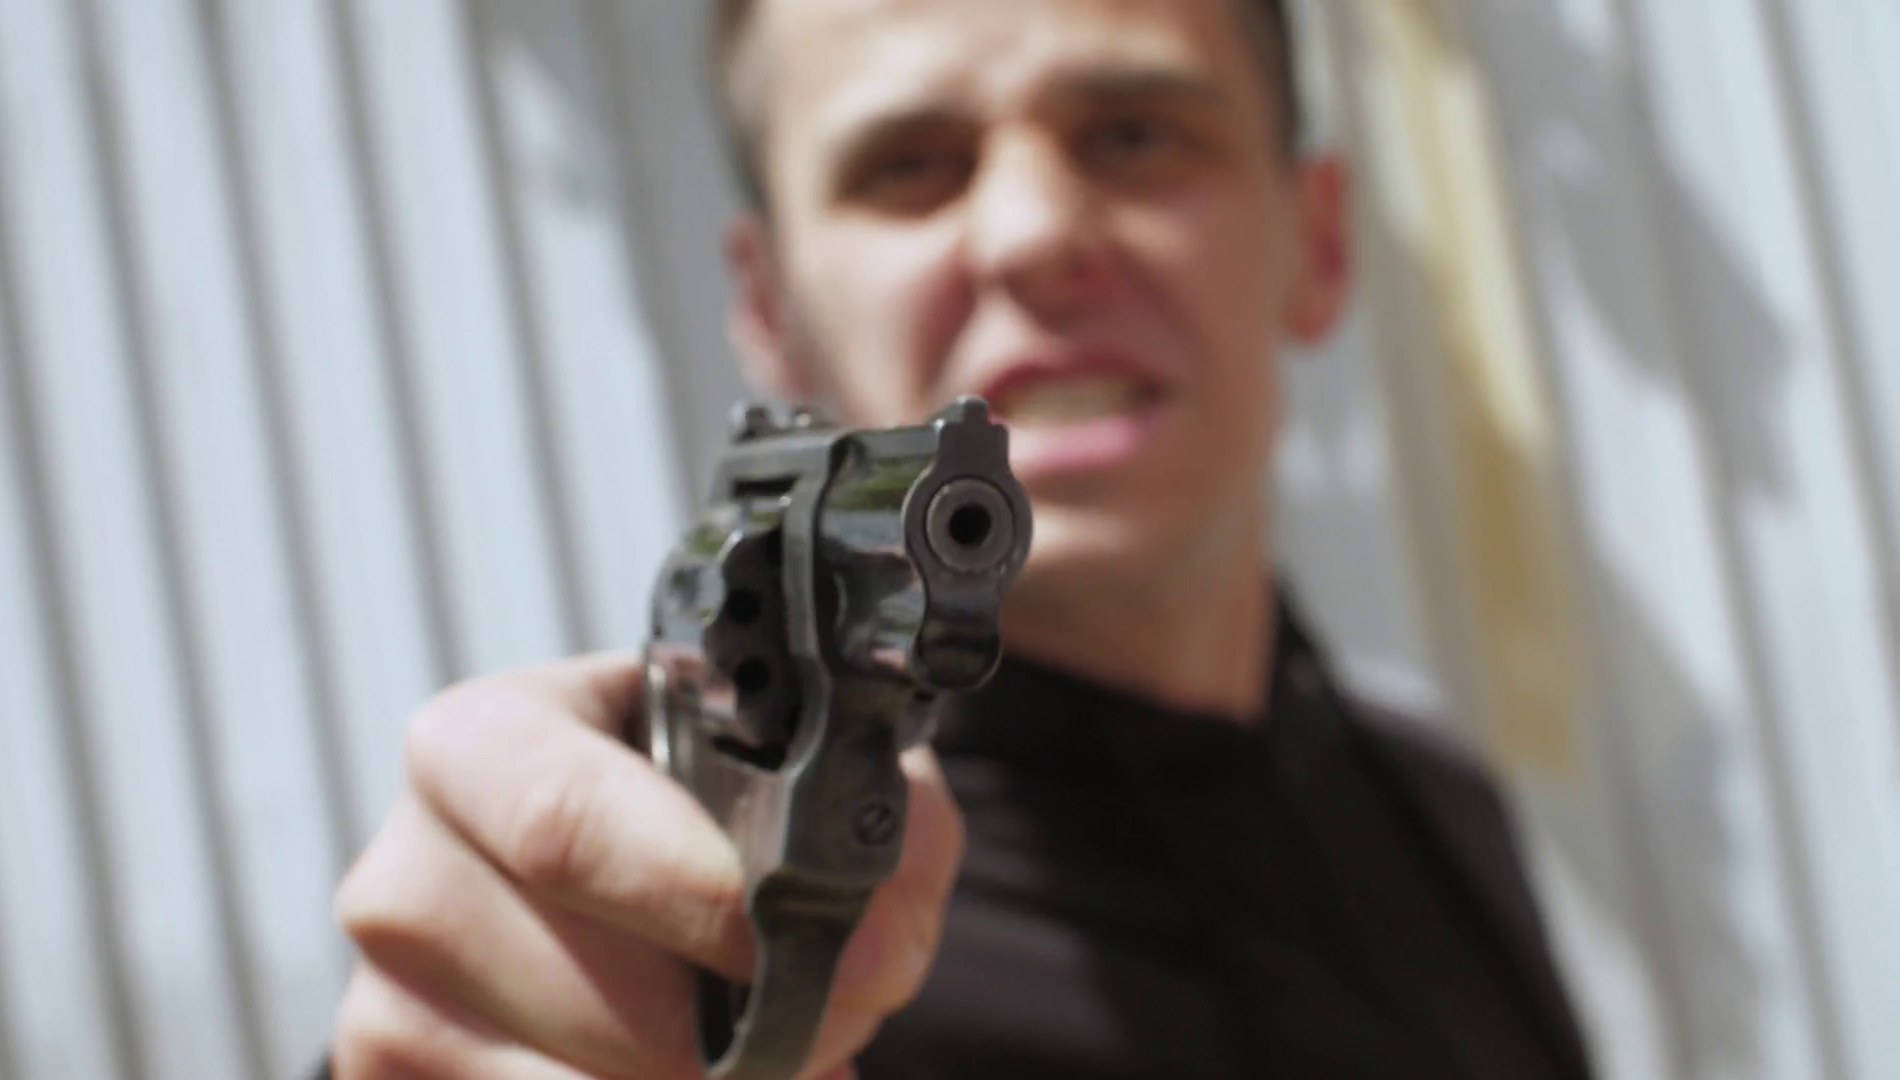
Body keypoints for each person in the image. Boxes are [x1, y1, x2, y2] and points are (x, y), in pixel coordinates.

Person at [321, 0, 1596, 1076]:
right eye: (910, 165)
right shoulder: (693, 932)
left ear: (1317, 241)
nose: (1035, 234)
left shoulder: (1445, 820)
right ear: (770, 311)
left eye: (1135, 134)